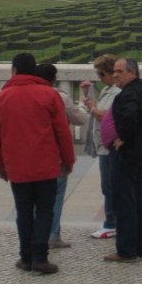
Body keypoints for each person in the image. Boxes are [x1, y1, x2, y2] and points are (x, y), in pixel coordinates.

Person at [0, 53, 75, 275]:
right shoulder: (49, 94)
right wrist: (68, 159)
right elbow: (62, 132)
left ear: (14, 71)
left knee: (24, 211)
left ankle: (25, 257)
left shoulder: (3, 97)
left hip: (17, 167)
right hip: (46, 165)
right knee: (45, 211)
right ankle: (40, 257)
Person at [105, 57, 142, 263]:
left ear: (132, 73)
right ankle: (141, 246)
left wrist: (122, 137)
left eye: (119, 71)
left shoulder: (130, 94)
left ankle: (126, 250)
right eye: (114, 71)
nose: (115, 75)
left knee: (125, 202)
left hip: (128, 154)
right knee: (140, 201)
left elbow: (130, 116)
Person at [35, 62, 87, 249]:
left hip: (32, 154)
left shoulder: (25, 95)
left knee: (33, 197)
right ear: (54, 79)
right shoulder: (60, 97)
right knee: (55, 196)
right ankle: (52, 234)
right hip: (54, 155)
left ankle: (35, 233)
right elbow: (79, 119)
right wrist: (82, 102)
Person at [80, 53, 121, 240]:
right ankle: (113, 222)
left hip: (108, 147)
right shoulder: (108, 90)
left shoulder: (116, 92)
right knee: (108, 186)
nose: (100, 78)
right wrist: (88, 97)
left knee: (109, 186)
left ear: (112, 73)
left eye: (101, 74)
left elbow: (107, 116)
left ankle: (112, 224)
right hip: (103, 145)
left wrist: (93, 109)